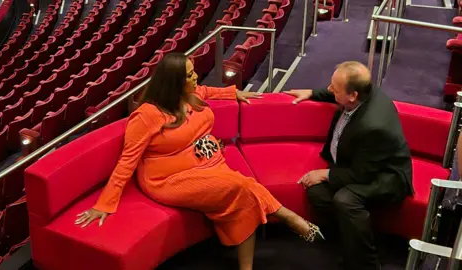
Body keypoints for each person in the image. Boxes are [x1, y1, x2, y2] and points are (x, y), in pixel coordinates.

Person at [74, 53, 324, 270]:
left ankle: (247, 266)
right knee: (243, 186)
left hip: (207, 162)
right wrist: (104, 204)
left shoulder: (190, 95)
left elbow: (207, 91)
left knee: (244, 192)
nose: (196, 78)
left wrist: (233, 93)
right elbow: (127, 160)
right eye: (190, 75)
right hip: (168, 179)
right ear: (175, 83)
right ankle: (291, 218)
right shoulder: (147, 115)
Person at [285, 61, 413, 270]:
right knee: (317, 193)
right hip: (360, 166)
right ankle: (364, 241)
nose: (329, 89)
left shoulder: (372, 126)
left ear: (353, 95)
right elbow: (335, 93)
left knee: (345, 200)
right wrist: (311, 92)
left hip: (386, 175)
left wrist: (326, 173)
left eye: (334, 88)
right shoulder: (362, 93)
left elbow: (361, 175)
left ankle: (367, 264)